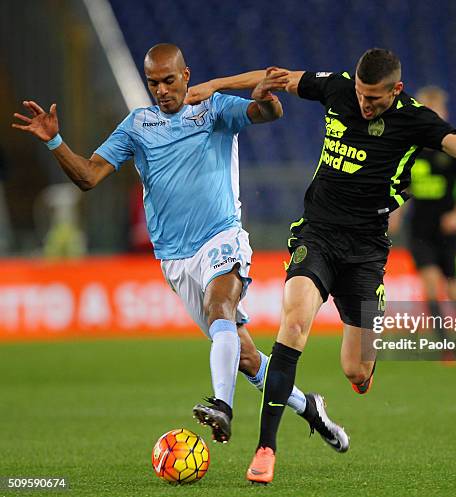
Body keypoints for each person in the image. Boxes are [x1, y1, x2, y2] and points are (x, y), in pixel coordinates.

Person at [185, 48, 456, 483]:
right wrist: (213, 86)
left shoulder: (415, 119)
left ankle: (357, 365)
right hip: (317, 235)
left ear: (396, 90)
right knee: (294, 323)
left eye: (375, 99)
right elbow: (276, 76)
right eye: (361, 95)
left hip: (366, 250)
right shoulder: (338, 88)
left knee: (355, 371)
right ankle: (266, 448)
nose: (364, 104)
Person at [12, 43, 348, 452]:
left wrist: (264, 101)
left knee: (219, 303)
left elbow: (267, 113)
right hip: (175, 258)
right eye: (153, 83)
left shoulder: (214, 109)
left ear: (186, 76)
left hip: (222, 236)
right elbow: (87, 176)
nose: (161, 90)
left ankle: (222, 405)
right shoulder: (137, 126)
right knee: (242, 355)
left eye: (169, 80)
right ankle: (309, 407)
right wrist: (55, 141)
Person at [388, 86, 456, 361]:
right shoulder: (410, 149)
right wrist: (396, 214)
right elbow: (402, 188)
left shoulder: (453, 148)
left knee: (455, 289)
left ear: (443, 114)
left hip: (450, 229)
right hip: (420, 228)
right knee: (430, 284)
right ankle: (446, 346)